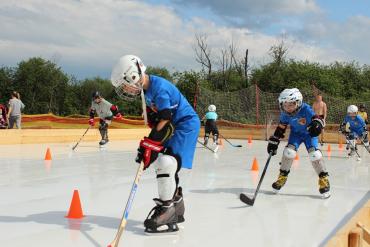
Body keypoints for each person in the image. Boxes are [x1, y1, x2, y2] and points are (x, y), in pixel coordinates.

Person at [111, 55, 200, 233]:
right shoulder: (147, 90)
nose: (125, 89)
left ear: (133, 76)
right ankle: (177, 206)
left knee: (166, 163)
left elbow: (166, 117)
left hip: (184, 125)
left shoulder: (159, 88)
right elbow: (160, 117)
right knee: (163, 162)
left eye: (125, 84)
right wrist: (150, 145)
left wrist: (150, 144)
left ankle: (167, 210)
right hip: (173, 125)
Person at [267, 88, 330, 198]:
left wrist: (317, 124)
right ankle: (282, 178)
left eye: (291, 105)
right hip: (295, 134)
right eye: (285, 105)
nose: (288, 108)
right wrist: (275, 139)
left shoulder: (305, 109)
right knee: (288, 152)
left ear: (299, 102)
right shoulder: (285, 114)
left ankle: (324, 180)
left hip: (309, 134)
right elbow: (282, 126)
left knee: (314, 154)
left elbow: (317, 118)